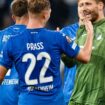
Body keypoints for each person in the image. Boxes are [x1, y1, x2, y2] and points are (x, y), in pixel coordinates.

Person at [0, 0, 94, 105]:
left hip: (27, 101)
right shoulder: (57, 37)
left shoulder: (13, 42)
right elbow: (85, 56)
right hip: (53, 102)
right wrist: (90, 33)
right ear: (45, 15)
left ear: (29, 12)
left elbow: (0, 76)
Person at [69, 0, 105, 105]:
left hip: (98, 99)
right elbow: (70, 62)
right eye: (81, 5)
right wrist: (62, 45)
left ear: (100, 5)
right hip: (77, 98)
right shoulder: (82, 30)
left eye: (88, 4)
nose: (84, 8)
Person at [0, 0, 28, 105]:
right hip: (26, 96)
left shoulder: (1, 35)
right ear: (29, 14)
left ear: (13, 17)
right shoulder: (35, 35)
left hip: (3, 95)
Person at [60, 23, 79, 105]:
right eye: (80, 8)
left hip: (96, 94)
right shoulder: (66, 32)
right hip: (70, 94)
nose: (83, 9)